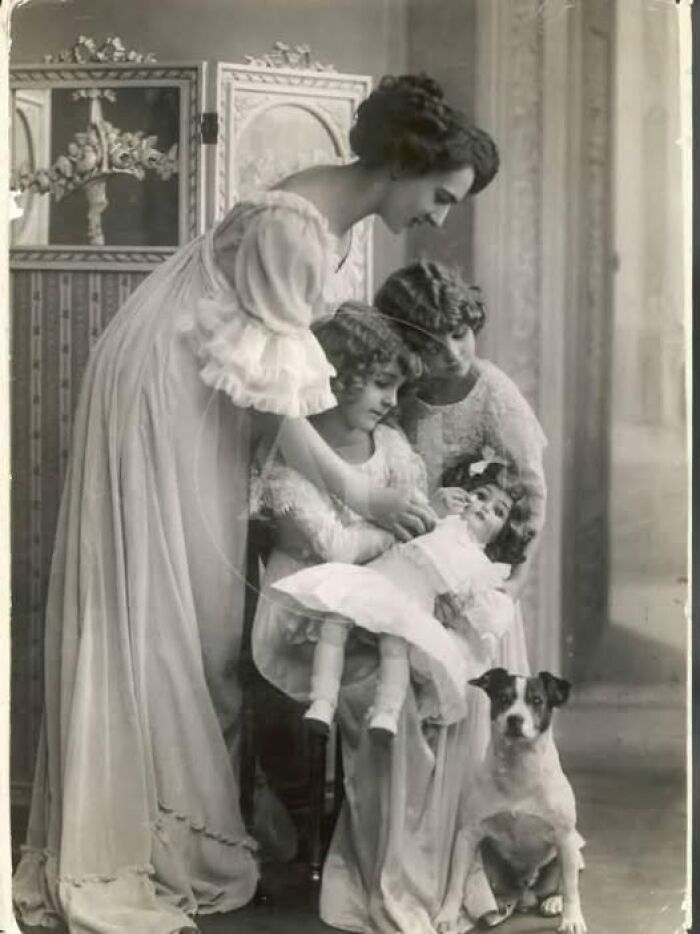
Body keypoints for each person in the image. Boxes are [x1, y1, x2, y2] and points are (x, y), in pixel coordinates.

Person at [13, 75, 500, 934]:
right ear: (405, 163)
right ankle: (145, 832)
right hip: (169, 389)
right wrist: (357, 489)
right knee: (175, 616)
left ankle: (177, 815)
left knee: (196, 620)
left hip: (198, 385)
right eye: (441, 195)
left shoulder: (327, 223)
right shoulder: (297, 228)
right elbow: (274, 401)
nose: (440, 217)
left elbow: (280, 381)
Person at [317, 263, 545, 934]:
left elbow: (529, 497)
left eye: (462, 336)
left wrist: (499, 588)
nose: (451, 355)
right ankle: (396, 860)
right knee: (394, 707)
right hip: (411, 583)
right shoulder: (400, 395)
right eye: (433, 342)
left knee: (468, 731)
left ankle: (471, 871)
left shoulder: (495, 394)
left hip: (480, 590)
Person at [272, 458, 532, 739]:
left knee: (394, 643)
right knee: (335, 620)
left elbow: (479, 605)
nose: (484, 507)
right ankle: (322, 701)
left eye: (498, 511)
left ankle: (387, 713)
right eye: (481, 496)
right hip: (377, 579)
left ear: (502, 533)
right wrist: (436, 507)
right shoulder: (438, 519)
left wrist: (467, 615)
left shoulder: (479, 564)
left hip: (409, 602)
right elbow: (402, 525)